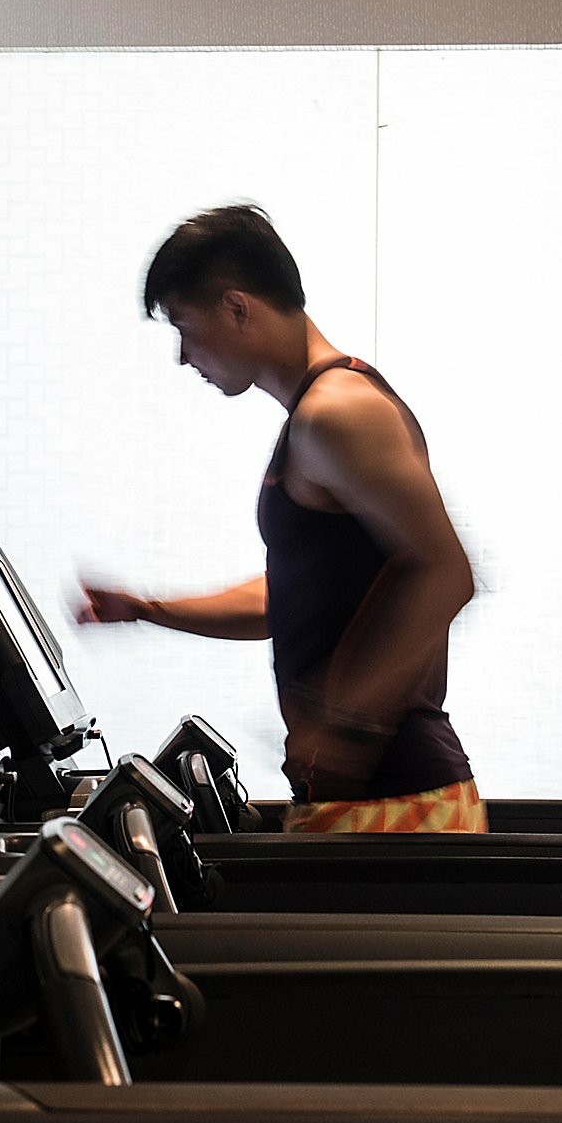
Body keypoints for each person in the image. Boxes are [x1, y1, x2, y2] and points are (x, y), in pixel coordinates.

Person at [78, 205, 482, 834]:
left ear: (238, 308)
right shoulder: (315, 418)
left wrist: (342, 728)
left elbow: (446, 573)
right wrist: (147, 609)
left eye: (185, 327)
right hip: (367, 797)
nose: (184, 357)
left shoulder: (338, 413)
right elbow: (292, 600)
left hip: (397, 799)